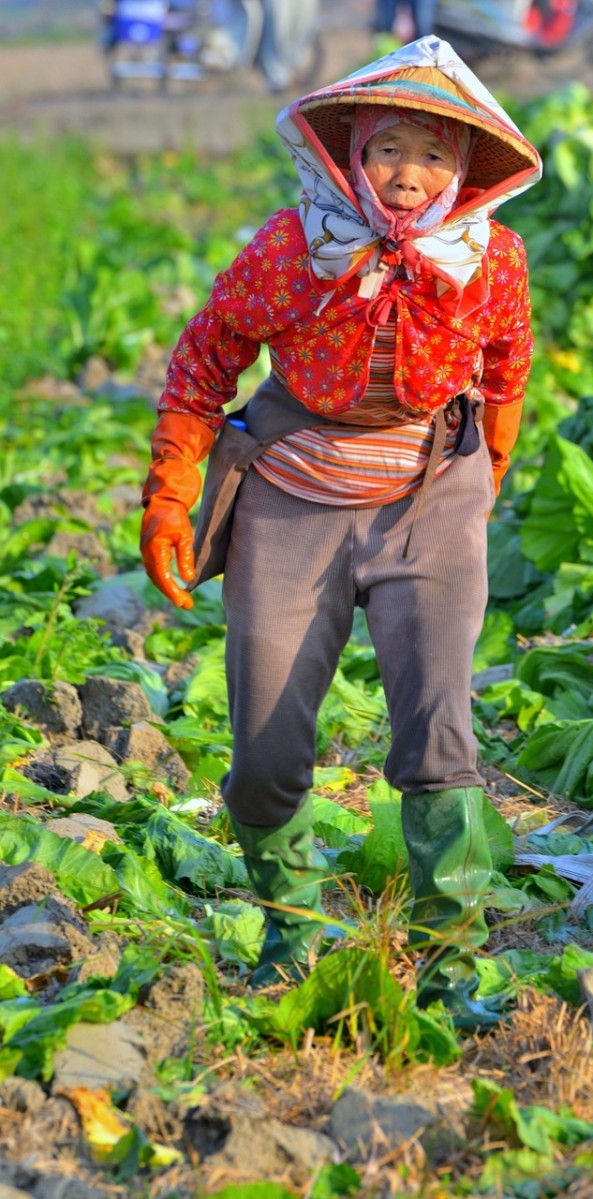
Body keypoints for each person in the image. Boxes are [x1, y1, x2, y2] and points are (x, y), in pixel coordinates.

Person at [140, 35, 541, 1031]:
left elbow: (505, 366)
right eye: (389, 150)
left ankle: (448, 961)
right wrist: (170, 486)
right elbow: (204, 359)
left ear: (465, 173)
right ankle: (288, 929)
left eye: (435, 157)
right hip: (292, 495)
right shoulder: (291, 248)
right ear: (349, 155)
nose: (409, 177)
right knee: (267, 744)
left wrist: (480, 478)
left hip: (425, 500)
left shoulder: (486, 258)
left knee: (438, 730)